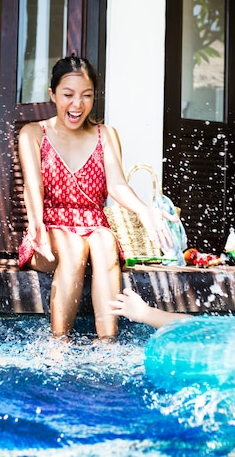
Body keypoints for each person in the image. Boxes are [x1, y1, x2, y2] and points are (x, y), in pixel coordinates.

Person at [18, 56, 176, 341]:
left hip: (94, 227)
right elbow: (33, 186)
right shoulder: (33, 134)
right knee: (73, 246)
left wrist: (144, 210)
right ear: (52, 94)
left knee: (104, 240)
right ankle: (59, 344)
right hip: (49, 229)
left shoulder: (106, 134)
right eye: (68, 95)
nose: (77, 105)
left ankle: (107, 345)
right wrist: (35, 225)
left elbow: (117, 185)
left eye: (86, 96)